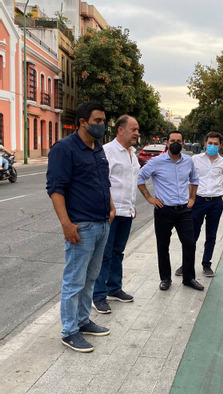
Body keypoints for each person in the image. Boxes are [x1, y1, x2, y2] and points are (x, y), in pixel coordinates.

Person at [46, 102, 115, 353]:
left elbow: (103, 181)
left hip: (101, 223)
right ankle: (69, 331)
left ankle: (83, 320)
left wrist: (111, 207)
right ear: (83, 122)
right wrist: (66, 224)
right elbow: (55, 189)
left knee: (90, 278)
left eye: (103, 120)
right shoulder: (65, 149)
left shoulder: (98, 149)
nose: (102, 125)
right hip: (81, 227)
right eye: (97, 120)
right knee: (74, 281)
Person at [137, 130, 204, 291]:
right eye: (172, 140)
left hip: (184, 211)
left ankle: (189, 278)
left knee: (190, 243)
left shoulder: (188, 161)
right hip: (163, 210)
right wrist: (149, 198)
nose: (176, 143)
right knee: (163, 245)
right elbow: (140, 178)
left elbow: (194, 180)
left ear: (183, 143)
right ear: (167, 142)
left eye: (179, 141)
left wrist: (192, 198)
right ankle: (165, 279)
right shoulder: (156, 162)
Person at [92, 115, 140, 314]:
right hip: (111, 212)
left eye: (138, 130)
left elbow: (130, 183)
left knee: (118, 252)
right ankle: (98, 295)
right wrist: (109, 208)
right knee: (104, 254)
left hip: (126, 211)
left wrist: (132, 205)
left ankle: (114, 288)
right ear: (120, 130)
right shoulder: (108, 152)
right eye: (133, 129)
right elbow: (102, 183)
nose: (137, 133)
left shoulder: (133, 153)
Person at [175, 132, 223, 278]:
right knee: (191, 235)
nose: (213, 146)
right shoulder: (195, 160)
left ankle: (206, 264)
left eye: (216, 144)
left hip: (215, 202)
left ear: (220, 146)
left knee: (211, 235)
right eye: (210, 143)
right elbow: (186, 178)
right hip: (197, 201)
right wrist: (189, 197)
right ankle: (186, 264)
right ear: (205, 143)